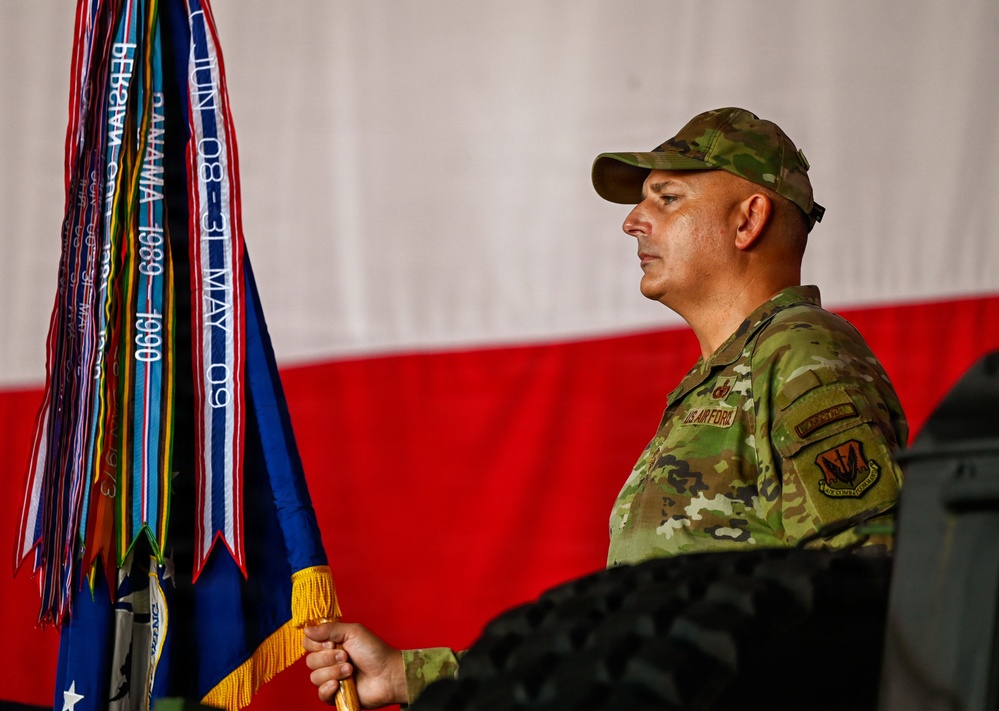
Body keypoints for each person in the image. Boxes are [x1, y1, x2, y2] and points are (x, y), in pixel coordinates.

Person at [303, 106, 908, 707]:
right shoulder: (725, 377)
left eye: (667, 198)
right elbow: (634, 649)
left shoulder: (800, 354)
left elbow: (866, 607)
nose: (634, 222)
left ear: (748, 220)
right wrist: (411, 675)